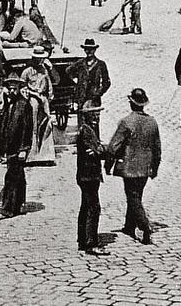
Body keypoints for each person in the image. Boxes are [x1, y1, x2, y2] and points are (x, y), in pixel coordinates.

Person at [107, 88, 160, 245]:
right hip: (145, 168)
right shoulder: (152, 122)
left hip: (130, 168)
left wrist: (108, 164)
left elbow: (113, 147)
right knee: (137, 195)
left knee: (133, 197)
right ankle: (129, 226)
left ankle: (144, 226)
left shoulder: (126, 122)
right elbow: (157, 149)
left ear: (131, 103)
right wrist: (155, 168)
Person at [0, 75, 34, 217]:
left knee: (11, 178)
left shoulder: (24, 105)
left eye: (14, 89)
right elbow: (3, 125)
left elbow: (27, 129)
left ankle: (7, 209)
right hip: (9, 146)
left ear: (19, 88)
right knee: (18, 176)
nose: (11, 91)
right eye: (9, 88)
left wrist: (24, 149)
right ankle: (19, 205)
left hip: (18, 147)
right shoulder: (8, 104)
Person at [74, 100, 107, 255]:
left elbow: (98, 149)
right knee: (93, 208)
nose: (96, 116)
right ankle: (91, 243)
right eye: (92, 114)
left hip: (86, 175)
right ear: (85, 116)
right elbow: (97, 150)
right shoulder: (87, 131)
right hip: (89, 175)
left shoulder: (89, 129)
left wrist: (100, 149)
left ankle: (82, 239)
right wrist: (102, 149)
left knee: (86, 207)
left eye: (97, 113)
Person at [74, 38, 111, 106]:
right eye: (87, 49)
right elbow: (68, 71)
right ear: (84, 50)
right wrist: (77, 86)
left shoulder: (101, 64)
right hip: (81, 100)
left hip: (94, 101)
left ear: (95, 50)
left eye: (91, 49)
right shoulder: (80, 63)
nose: (89, 51)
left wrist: (97, 93)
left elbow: (106, 83)